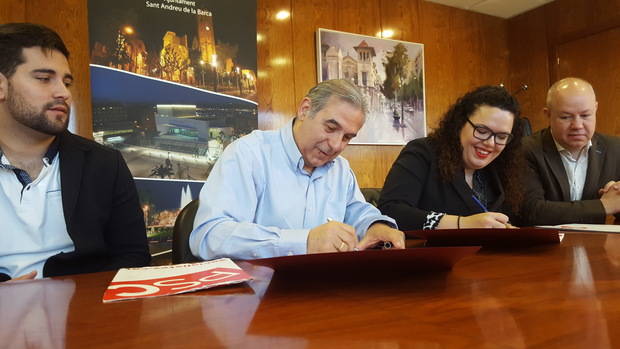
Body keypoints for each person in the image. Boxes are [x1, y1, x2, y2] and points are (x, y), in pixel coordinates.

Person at [190, 79, 404, 260]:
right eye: (330, 128)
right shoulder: (248, 154)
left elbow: (356, 212)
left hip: (324, 292)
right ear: (305, 110)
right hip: (255, 296)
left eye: (347, 137)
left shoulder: (340, 169)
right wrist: (305, 241)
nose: (336, 145)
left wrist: (375, 226)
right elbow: (209, 236)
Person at [0, 23, 150, 282]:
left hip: (83, 312)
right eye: (44, 78)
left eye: (66, 82)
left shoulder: (104, 164)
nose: (63, 93)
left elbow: (133, 257)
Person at [378, 86, 524, 230]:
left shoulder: (501, 169)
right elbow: (390, 211)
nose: (490, 143)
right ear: (460, 123)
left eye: (501, 137)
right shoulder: (423, 152)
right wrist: (462, 224)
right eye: (482, 131)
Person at [520, 77, 620, 225]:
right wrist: (604, 205)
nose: (577, 125)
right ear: (548, 114)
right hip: (544, 245)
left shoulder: (615, 148)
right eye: (566, 117)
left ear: (596, 109)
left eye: (585, 115)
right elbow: (532, 211)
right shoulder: (526, 150)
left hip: (596, 245)